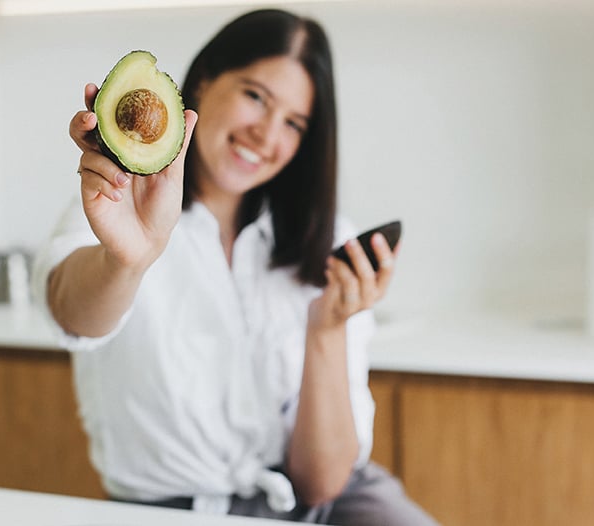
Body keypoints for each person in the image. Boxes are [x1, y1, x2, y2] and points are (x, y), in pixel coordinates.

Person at [31, 8, 438, 525]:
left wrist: (327, 329)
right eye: (255, 97)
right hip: (174, 511)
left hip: (329, 503)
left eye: (293, 124)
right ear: (203, 81)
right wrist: (125, 260)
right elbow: (73, 313)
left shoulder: (325, 236)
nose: (267, 135)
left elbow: (323, 481)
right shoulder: (120, 203)